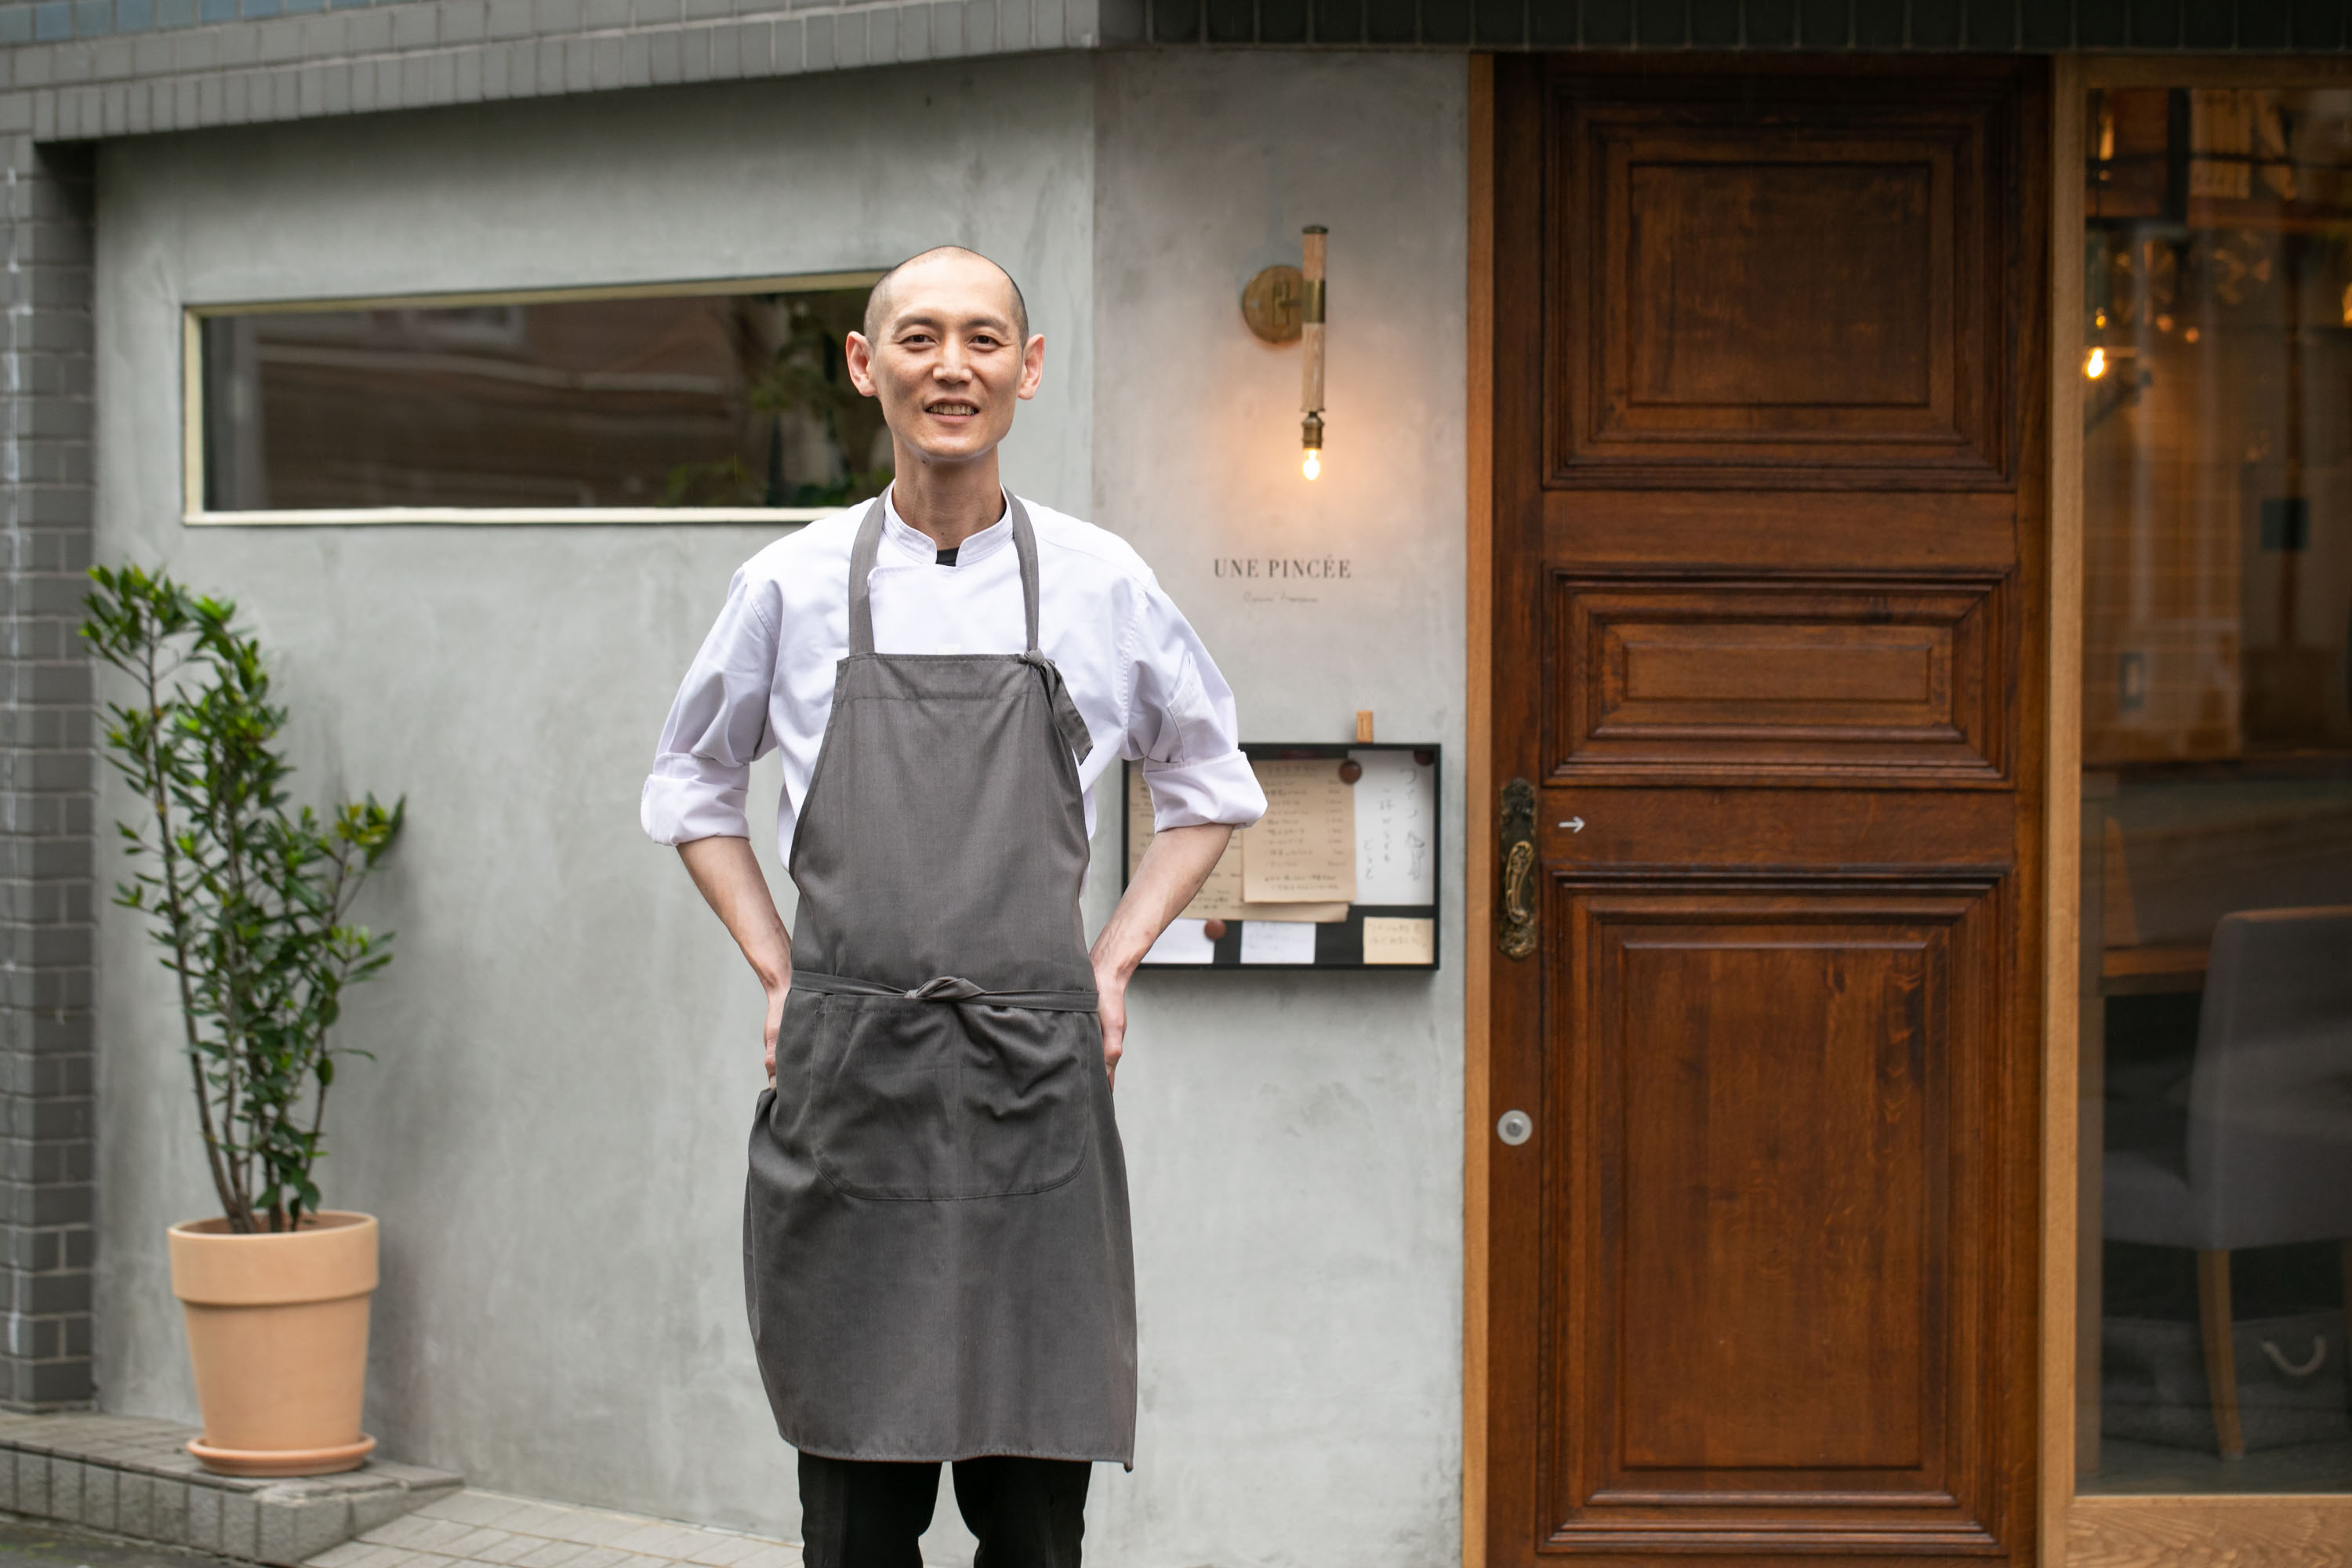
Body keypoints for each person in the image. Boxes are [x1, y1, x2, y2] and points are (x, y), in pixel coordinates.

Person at [640, 245, 1265, 1568]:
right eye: (918, 339)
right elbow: (692, 787)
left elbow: (1210, 783)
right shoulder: (791, 584)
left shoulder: (1101, 581)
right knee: (857, 1517)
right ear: (867, 368)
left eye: (984, 340)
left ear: (1028, 372)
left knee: (1036, 1520)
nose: (952, 367)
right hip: (851, 1078)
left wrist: (1112, 961)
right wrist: (775, 970)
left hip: (1034, 1079)